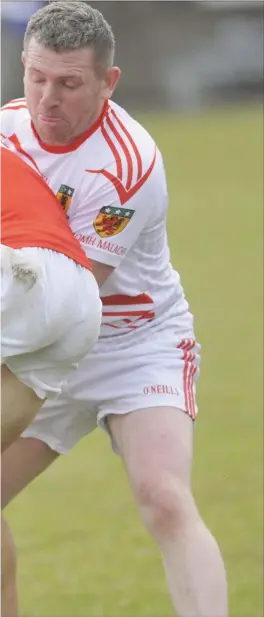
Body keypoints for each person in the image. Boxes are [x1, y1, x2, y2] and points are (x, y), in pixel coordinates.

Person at [0, 3, 228, 617]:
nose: (48, 99)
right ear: (22, 64)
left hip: (135, 342)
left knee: (163, 498)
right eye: (37, 77)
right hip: (46, 354)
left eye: (70, 83)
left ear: (109, 81)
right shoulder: (5, 132)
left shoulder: (127, 164)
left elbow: (70, 291)